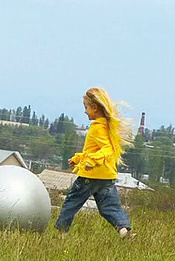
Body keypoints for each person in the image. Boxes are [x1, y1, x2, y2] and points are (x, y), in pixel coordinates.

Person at [55, 87, 134, 238]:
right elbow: (93, 150)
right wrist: (78, 158)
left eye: (86, 107)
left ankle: (61, 233)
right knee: (110, 207)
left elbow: (107, 149)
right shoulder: (108, 127)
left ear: (95, 108)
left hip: (90, 176)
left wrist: (91, 161)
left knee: (71, 203)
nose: (85, 111)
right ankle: (124, 230)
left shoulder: (97, 127)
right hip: (106, 177)